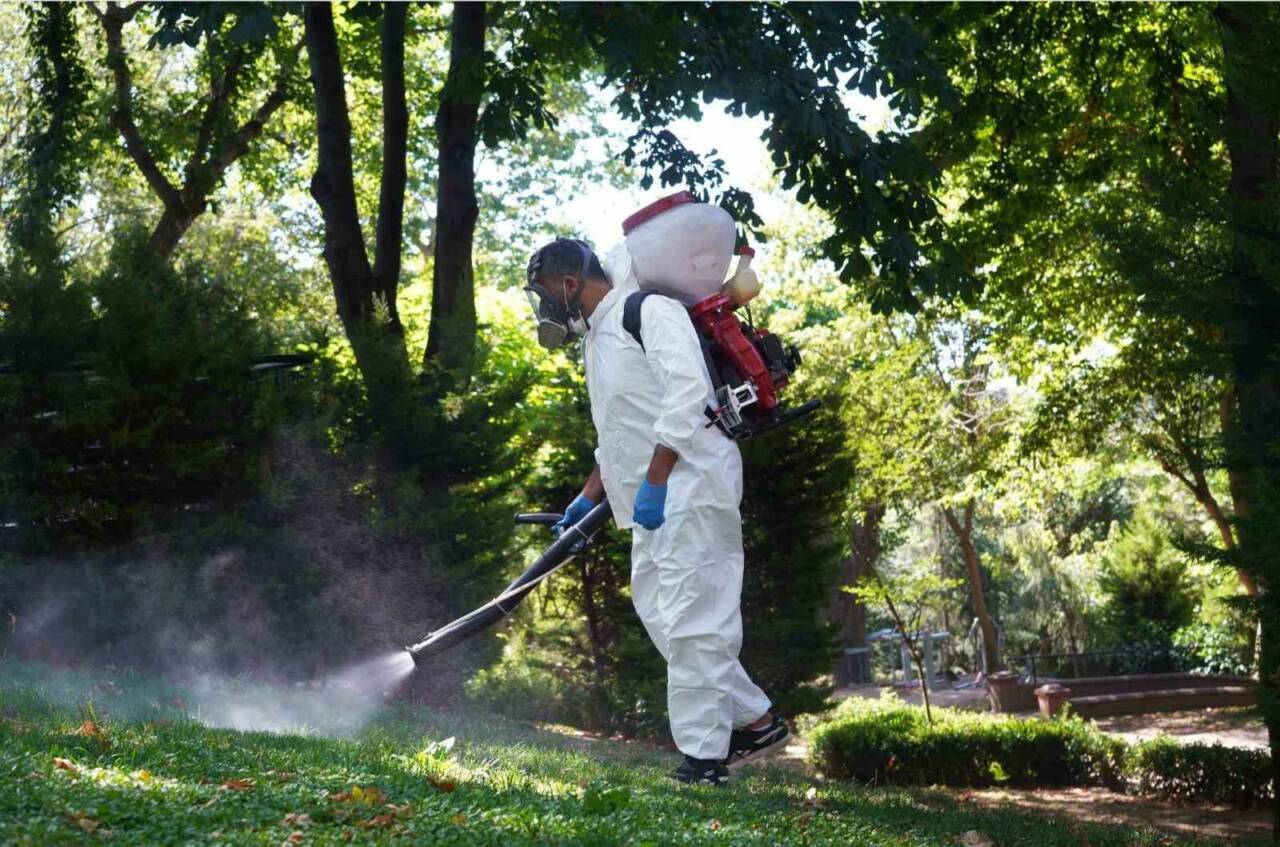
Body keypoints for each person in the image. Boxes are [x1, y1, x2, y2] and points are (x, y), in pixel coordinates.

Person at [523, 236, 789, 786]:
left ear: (570, 284)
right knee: (662, 616)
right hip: (652, 499)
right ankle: (759, 721)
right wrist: (587, 497)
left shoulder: (648, 312)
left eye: (546, 294)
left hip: (691, 486)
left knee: (696, 621)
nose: (546, 308)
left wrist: (657, 480)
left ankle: (705, 760)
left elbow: (689, 396)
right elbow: (619, 432)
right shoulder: (597, 340)